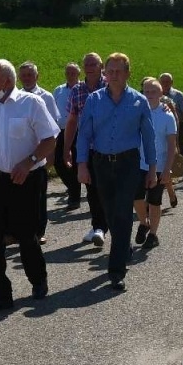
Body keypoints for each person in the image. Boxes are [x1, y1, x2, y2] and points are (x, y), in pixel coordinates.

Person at [0, 60, 58, 312]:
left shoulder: (31, 103)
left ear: (8, 81)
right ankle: (0, 294)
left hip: (26, 179)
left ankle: (38, 280)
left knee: (26, 235)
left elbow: (49, 140)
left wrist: (29, 162)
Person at [76, 53, 157, 292]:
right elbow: (84, 134)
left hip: (127, 163)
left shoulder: (138, 101)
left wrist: (152, 168)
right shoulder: (94, 100)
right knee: (110, 213)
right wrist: (82, 164)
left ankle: (116, 271)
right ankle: (124, 247)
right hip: (100, 163)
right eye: (109, 70)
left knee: (122, 213)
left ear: (127, 74)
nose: (113, 75)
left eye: (118, 71)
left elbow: (149, 138)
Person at [63, 52, 109, 247]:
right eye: (87, 64)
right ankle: (98, 226)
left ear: (100, 66)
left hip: (110, 147)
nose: (90, 66)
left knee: (108, 188)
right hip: (87, 147)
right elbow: (72, 121)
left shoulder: (110, 86)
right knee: (91, 187)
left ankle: (108, 226)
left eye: (94, 63)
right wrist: (66, 148)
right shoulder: (77, 90)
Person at [17, 61, 59, 244]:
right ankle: (19, 231)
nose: (26, 78)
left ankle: (39, 231)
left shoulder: (46, 97)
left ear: (37, 76)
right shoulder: (15, 97)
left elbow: (52, 128)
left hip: (40, 151)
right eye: (23, 75)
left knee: (39, 196)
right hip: (20, 152)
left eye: (30, 74)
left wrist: (49, 153)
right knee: (19, 196)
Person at [136, 77, 178, 251]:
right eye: (146, 91)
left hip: (159, 166)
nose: (150, 95)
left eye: (153, 91)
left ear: (161, 93)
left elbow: (171, 145)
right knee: (136, 198)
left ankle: (153, 235)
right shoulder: (138, 111)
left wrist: (167, 170)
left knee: (154, 202)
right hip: (139, 164)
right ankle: (143, 223)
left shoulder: (167, 116)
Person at [52, 62, 81, 208]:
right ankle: (73, 186)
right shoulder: (58, 90)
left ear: (78, 74)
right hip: (61, 131)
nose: (70, 75)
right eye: (68, 73)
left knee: (75, 163)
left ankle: (74, 197)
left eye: (73, 73)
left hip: (79, 131)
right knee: (58, 161)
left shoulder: (82, 90)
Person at [160, 72, 183, 175]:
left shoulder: (178, 95)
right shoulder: (157, 95)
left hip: (177, 125)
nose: (165, 84)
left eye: (167, 82)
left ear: (172, 82)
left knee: (180, 147)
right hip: (162, 127)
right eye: (163, 82)